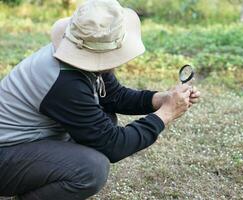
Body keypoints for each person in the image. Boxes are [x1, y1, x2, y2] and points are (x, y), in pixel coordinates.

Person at [0, 0, 200, 199]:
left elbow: (114, 95)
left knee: (106, 119)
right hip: (5, 154)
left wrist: (162, 98)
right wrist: (166, 113)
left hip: (26, 142)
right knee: (90, 169)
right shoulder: (65, 83)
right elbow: (113, 145)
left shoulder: (78, 52)